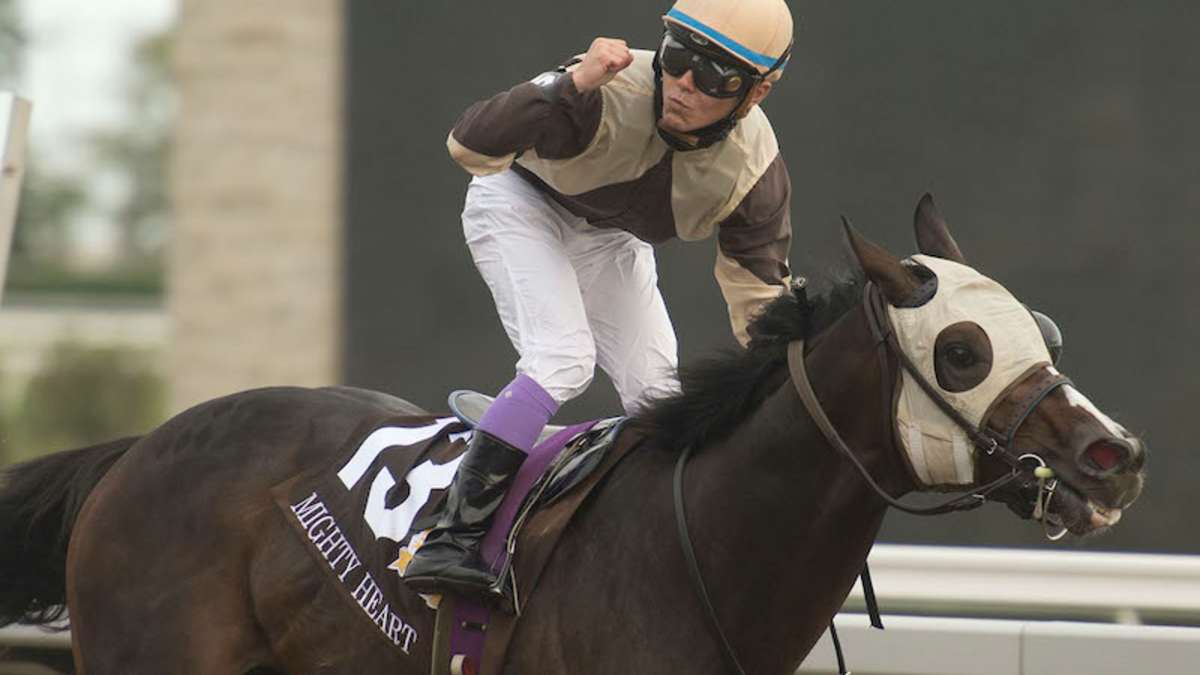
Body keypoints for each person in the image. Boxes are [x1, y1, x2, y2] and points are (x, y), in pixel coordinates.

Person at [404, 0, 796, 598]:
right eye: (679, 57)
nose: (684, 86)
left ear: (758, 92)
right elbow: (467, 147)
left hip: (609, 237)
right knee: (563, 357)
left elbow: (759, 304)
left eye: (715, 76)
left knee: (660, 397)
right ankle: (450, 539)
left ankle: (659, 545)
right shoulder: (606, 82)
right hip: (517, 203)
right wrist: (570, 85)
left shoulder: (754, 170)